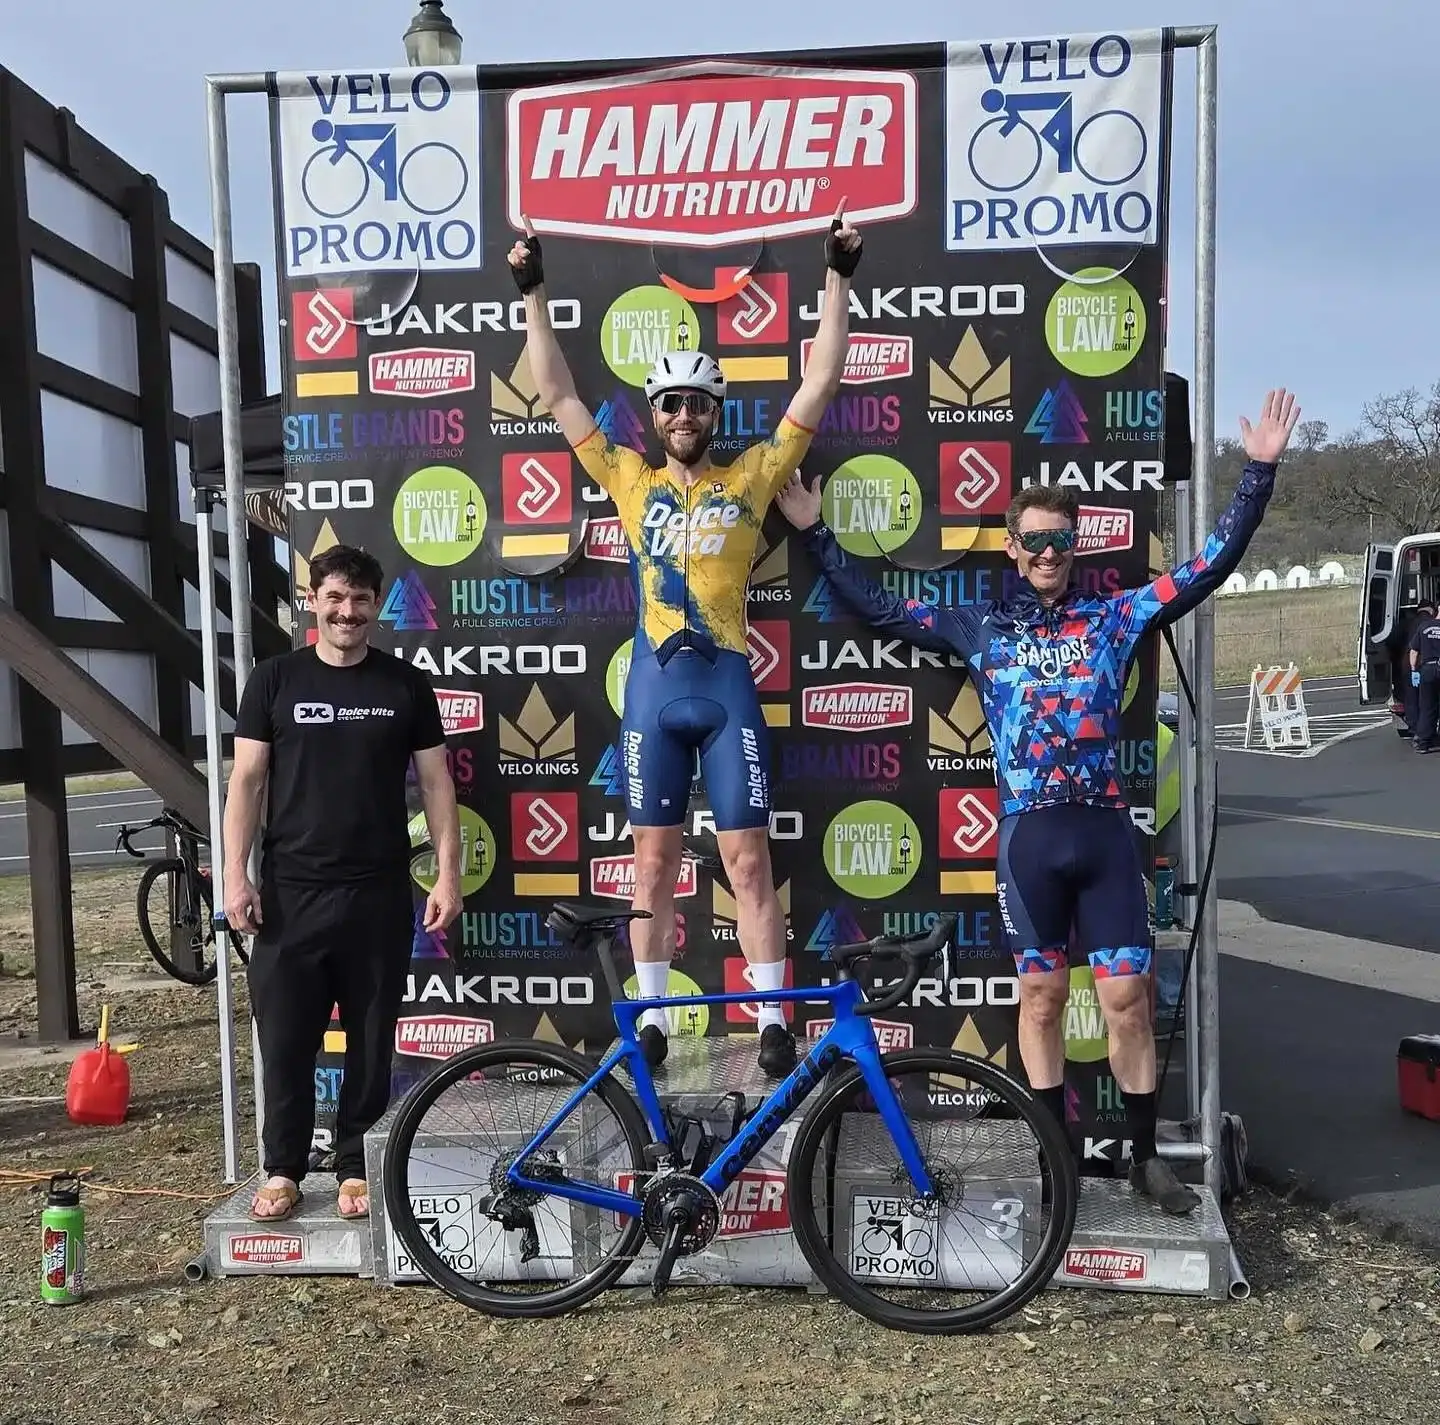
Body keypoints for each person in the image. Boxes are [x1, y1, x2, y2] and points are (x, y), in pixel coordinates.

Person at [777, 389, 1301, 1214]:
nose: (1049, 552)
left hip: (1102, 838)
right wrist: (813, 531)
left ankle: (1142, 1158)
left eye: (1062, 538)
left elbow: (1208, 567)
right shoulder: (982, 626)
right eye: (1035, 541)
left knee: (1127, 1000)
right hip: (1028, 842)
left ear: (1074, 544)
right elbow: (878, 605)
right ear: (1015, 550)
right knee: (1044, 998)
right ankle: (1055, 1158)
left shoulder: (1116, 616)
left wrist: (1258, 473)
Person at [506, 206, 861, 1078]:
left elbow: (816, 387)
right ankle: (655, 1017)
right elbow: (555, 393)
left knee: (748, 858)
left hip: (726, 683)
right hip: (655, 695)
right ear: (656, 413)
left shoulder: (752, 474)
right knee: (652, 865)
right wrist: (533, 292)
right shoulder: (625, 475)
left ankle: (775, 1018)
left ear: (713, 409)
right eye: (670, 402)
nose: (683, 413)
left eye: (698, 402)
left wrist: (838, 279)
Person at [223, 545, 463, 1222]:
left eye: (360, 600)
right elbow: (246, 782)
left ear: (376, 606)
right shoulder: (273, 680)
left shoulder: (404, 685)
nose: (347, 612)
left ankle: (357, 1163)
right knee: (288, 1040)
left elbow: (440, 784)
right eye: (334, 597)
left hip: (378, 893)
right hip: (289, 897)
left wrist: (448, 874)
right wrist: (236, 878)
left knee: (370, 1039)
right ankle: (282, 1168)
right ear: (312, 601)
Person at [1408, 601, 1440, 751]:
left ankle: (1423, 742)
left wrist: (1414, 671)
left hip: (1427, 670)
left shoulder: (1424, 627)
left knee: (1427, 706)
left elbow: (1414, 651)